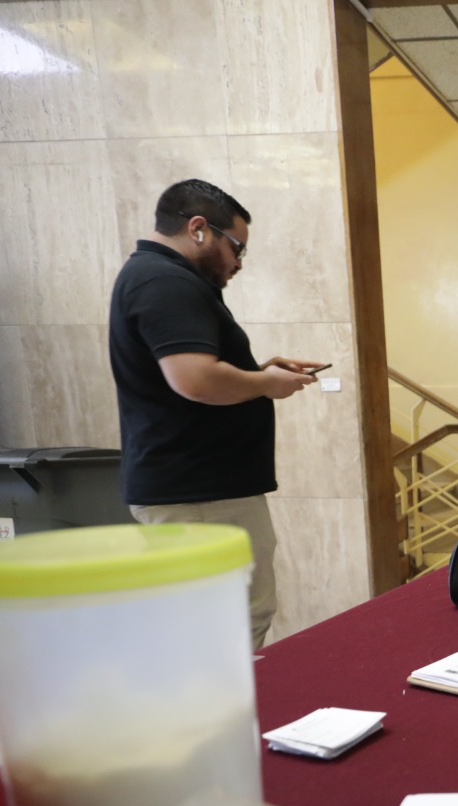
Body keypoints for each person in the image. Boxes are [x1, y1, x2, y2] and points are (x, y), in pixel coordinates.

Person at [108, 179, 325, 649]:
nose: (239, 263)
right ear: (199, 228)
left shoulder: (162, 278)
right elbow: (195, 380)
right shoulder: (163, 281)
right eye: (236, 248)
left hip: (202, 490)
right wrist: (266, 384)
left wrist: (259, 372)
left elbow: (189, 375)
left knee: (228, 624)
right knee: (224, 630)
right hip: (198, 495)